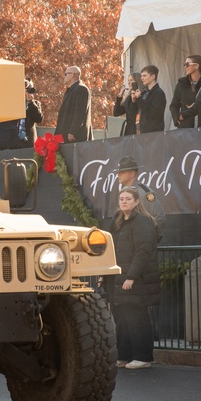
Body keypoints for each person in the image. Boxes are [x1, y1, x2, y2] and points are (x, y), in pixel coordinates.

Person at [105, 186, 159, 370]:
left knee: (137, 318)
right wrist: (103, 276)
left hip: (135, 280)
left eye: (128, 198)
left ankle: (143, 357)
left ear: (137, 202)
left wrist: (131, 277)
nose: (124, 201)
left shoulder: (143, 222)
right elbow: (109, 250)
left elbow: (143, 252)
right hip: (117, 280)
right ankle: (124, 356)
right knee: (121, 318)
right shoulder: (117, 223)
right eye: (121, 199)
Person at [114, 156, 166, 238]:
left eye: (122, 172)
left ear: (132, 174)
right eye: (118, 172)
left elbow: (159, 218)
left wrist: (148, 239)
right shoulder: (124, 192)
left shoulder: (145, 193)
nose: (118, 175)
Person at [55, 65, 92, 143]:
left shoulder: (81, 89)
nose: (64, 77)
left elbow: (80, 113)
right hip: (65, 135)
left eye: (66, 74)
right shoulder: (71, 90)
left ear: (72, 75)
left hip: (74, 137)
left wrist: (72, 132)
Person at [170, 55, 201, 129]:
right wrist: (178, 118)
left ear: (196, 66)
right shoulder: (181, 83)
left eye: (187, 64)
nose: (185, 67)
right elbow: (173, 105)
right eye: (184, 64)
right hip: (185, 127)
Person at [130, 65, 166, 133]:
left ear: (153, 76)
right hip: (140, 131)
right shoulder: (143, 93)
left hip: (153, 133)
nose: (141, 78)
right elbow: (132, 114)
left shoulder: (159, 93)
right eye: (141, 76)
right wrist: (134, 101)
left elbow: (152, 113)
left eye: (144, 76)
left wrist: (139, 98)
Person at [21, 79, 44, 147]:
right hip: (14, 140)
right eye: (27, 89)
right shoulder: (14, 102)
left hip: (29, 140)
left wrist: (30, 103)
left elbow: (39, 119)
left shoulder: (35, 103)